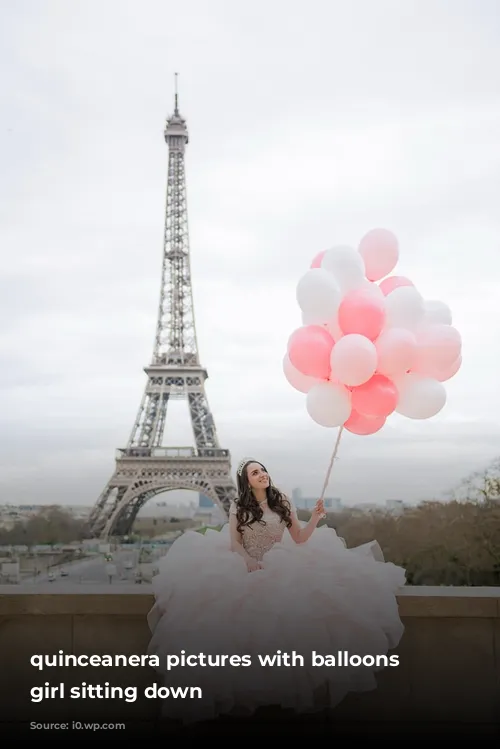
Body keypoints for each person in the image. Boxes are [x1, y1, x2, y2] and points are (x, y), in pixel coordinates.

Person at [147, 458, 406, 724]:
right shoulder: (239, 505)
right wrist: (247, 560)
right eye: (255, 472)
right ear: (246, 481)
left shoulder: (282, 501)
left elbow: (299, 538)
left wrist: (315, 518)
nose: (262, 474)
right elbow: (235, 543)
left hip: (282, 566)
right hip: (247, 565)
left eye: (263, 470)